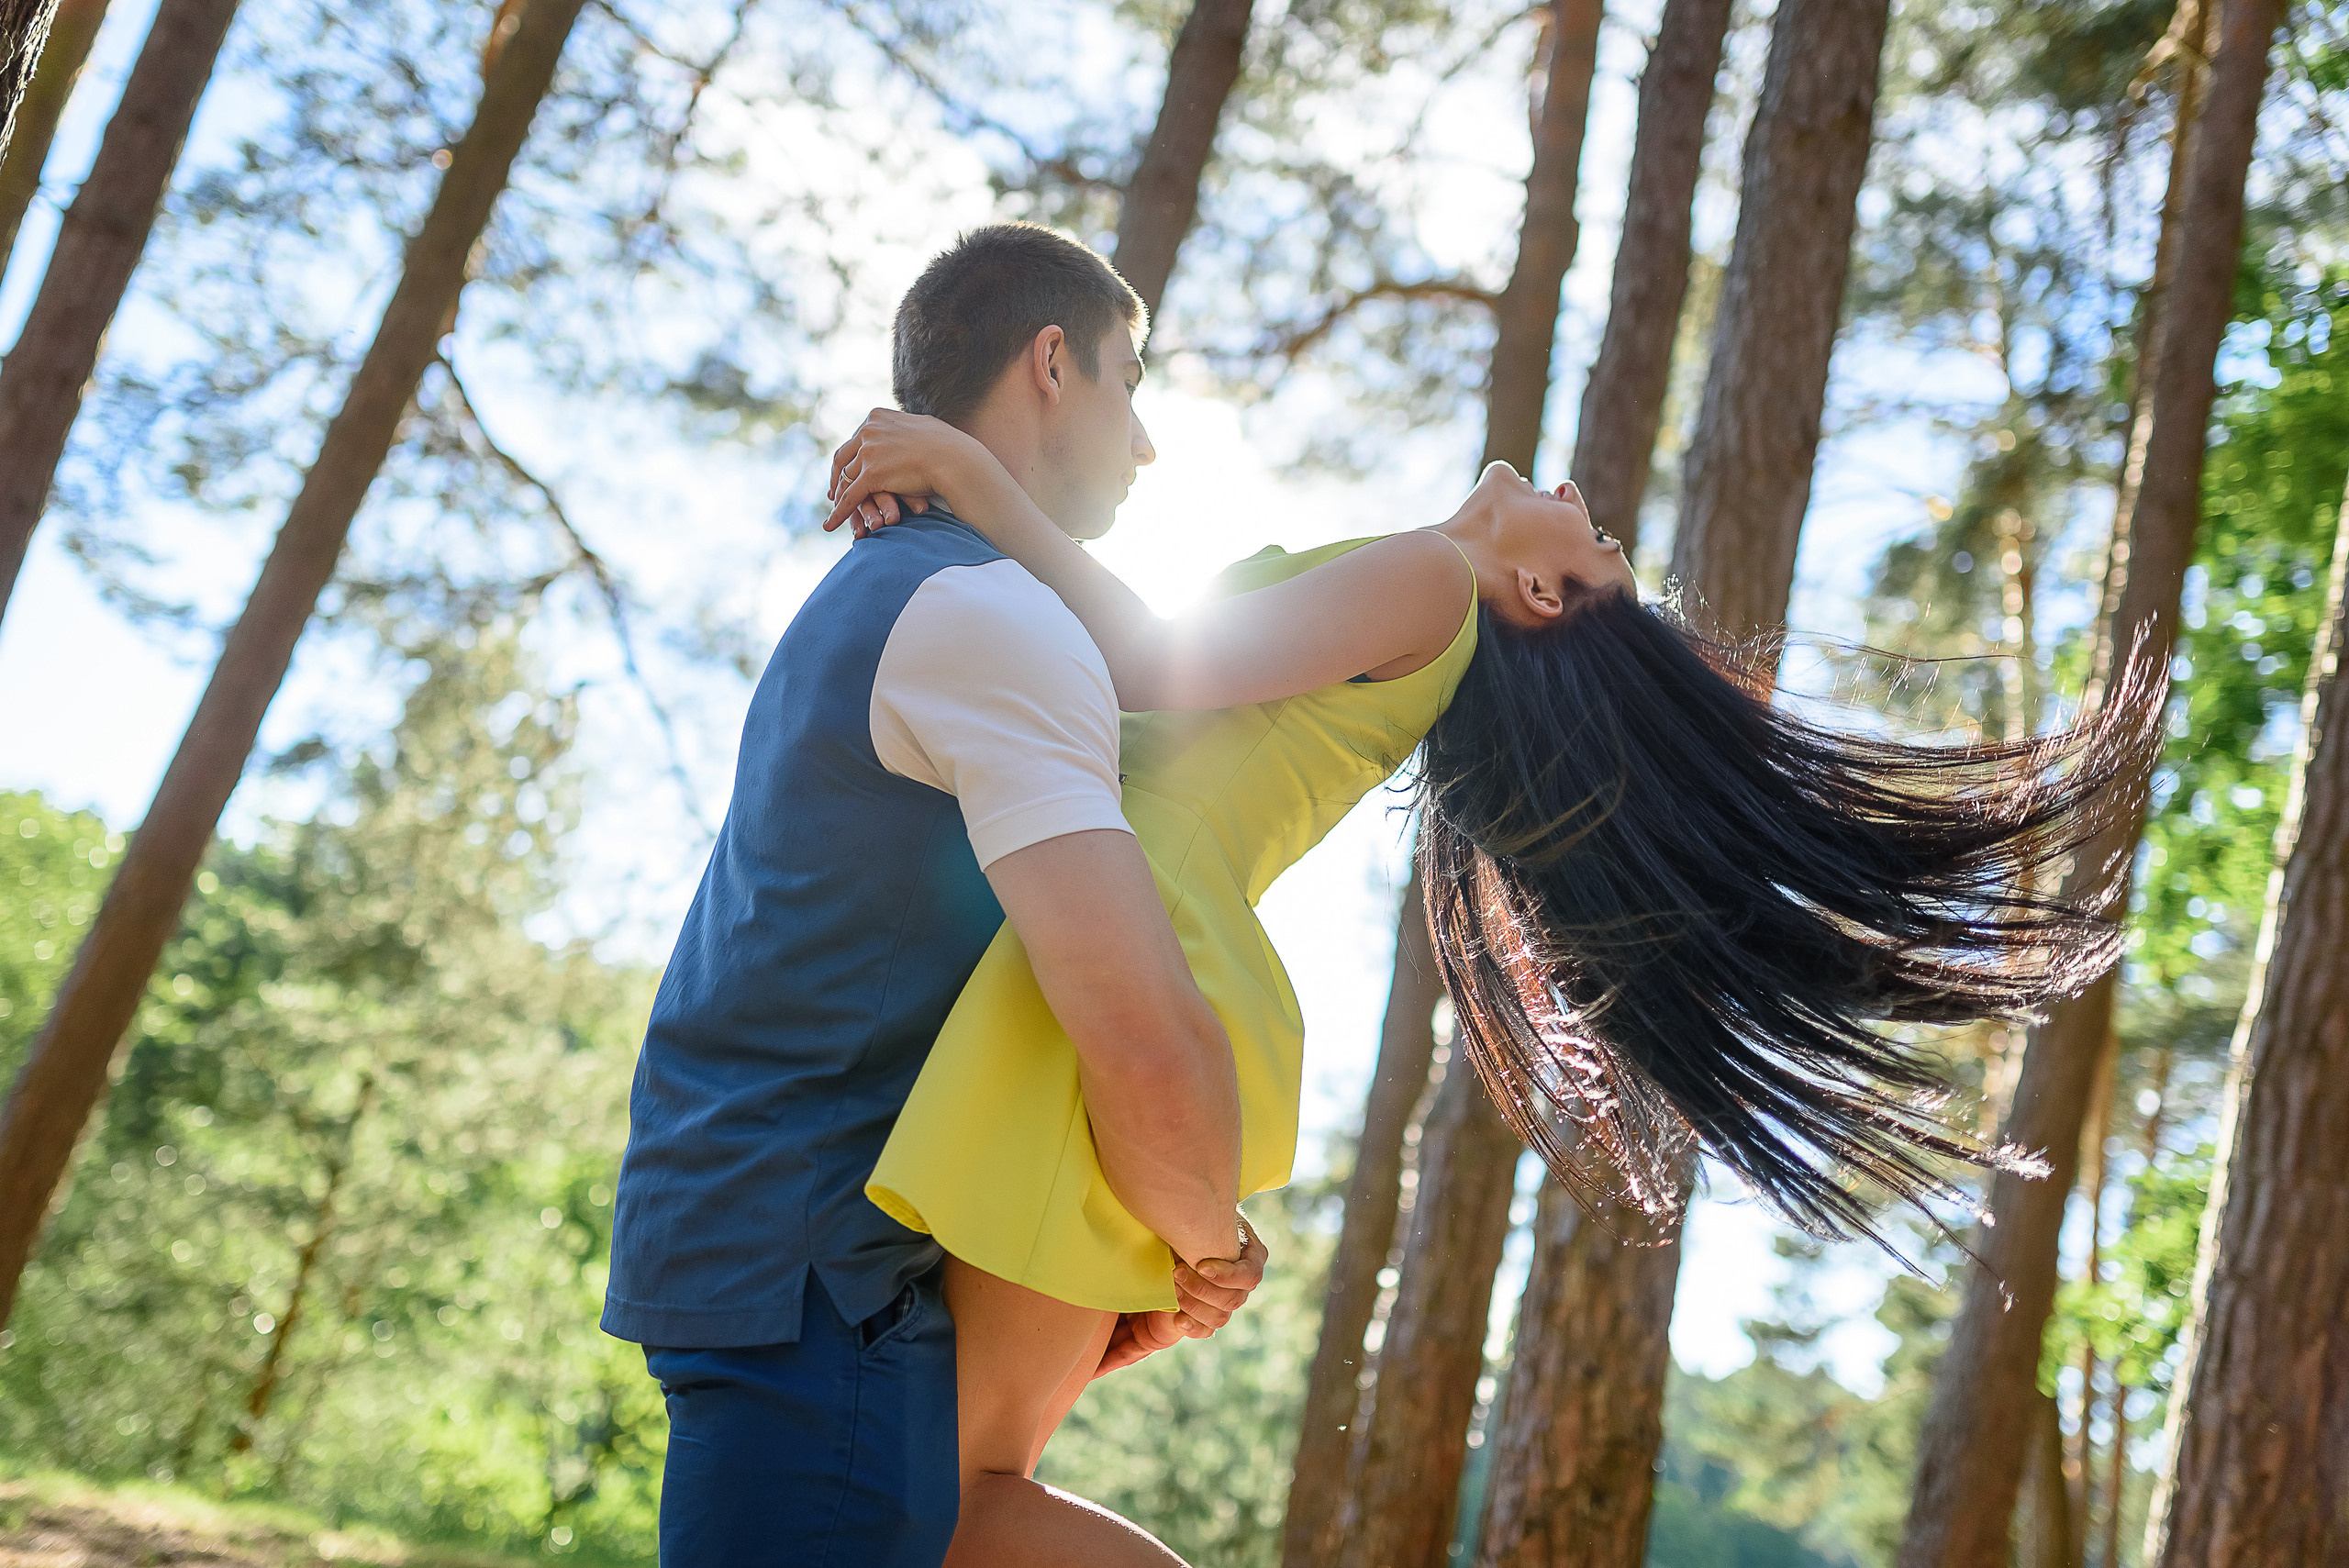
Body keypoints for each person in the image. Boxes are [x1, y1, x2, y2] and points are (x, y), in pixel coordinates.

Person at [825, 389, 2162, 1565]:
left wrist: (966, 470)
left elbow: (1139, 660)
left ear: (1542, 594)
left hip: (1137, 939)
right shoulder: (1421, 595)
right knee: (956, 1483)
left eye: (1606, 549)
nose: (1584, 502)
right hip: (1125, 922)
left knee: (952, 1500)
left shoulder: (1427, 582)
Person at [601, 223, 1268, 1568]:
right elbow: (1138, 1024)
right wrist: (1211, 1233)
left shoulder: (911, 594)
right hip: (815, 1276)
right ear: (1050, 362)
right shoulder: (987, 618)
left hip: (800, 1265)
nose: (1143, 443)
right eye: (1127, 383)